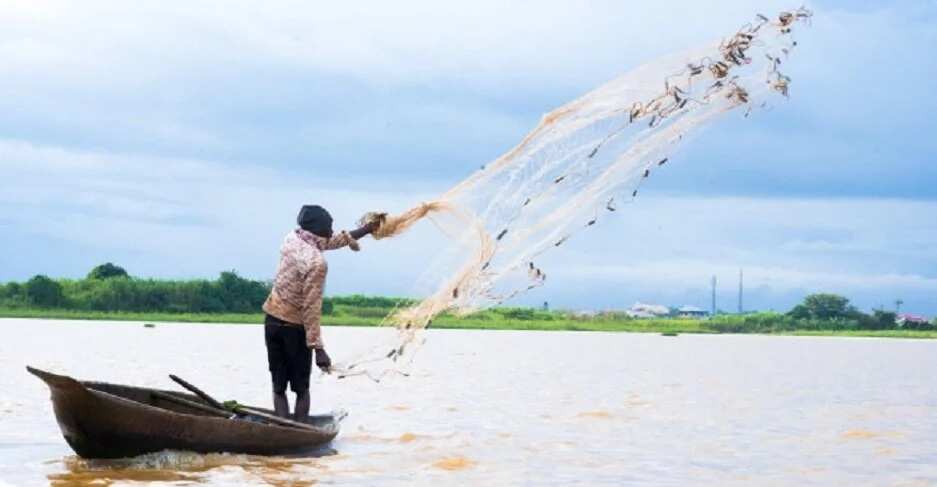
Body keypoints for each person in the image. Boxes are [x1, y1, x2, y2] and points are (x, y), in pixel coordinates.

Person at [262, 204, 377, 419]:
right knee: (301, 389)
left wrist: (367, 229)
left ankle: (281, 427)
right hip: (293, 329)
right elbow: (311, 308)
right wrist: (318, 349)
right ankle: (297, 433)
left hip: (271, 322)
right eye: (329, 227)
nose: (332, 231)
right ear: (317, 229)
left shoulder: (293, 238)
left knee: (278, 386)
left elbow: (330, 241)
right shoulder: (316, 263)